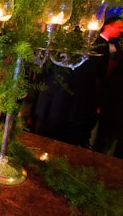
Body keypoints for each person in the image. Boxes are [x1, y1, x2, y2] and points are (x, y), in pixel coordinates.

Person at [34, 18, 113, 148]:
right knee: (66, 144)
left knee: (46, 141)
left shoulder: (56, 39)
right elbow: (100, 75)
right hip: (75, 102)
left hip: (56, 100)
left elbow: (43, 68)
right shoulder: (98, 43)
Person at [93, 17, 123, 158]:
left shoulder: (114, 49)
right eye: (119, 27)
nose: (121, 30)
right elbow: (103, 77)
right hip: (111, 102)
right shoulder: (98, 44)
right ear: (108, 26)